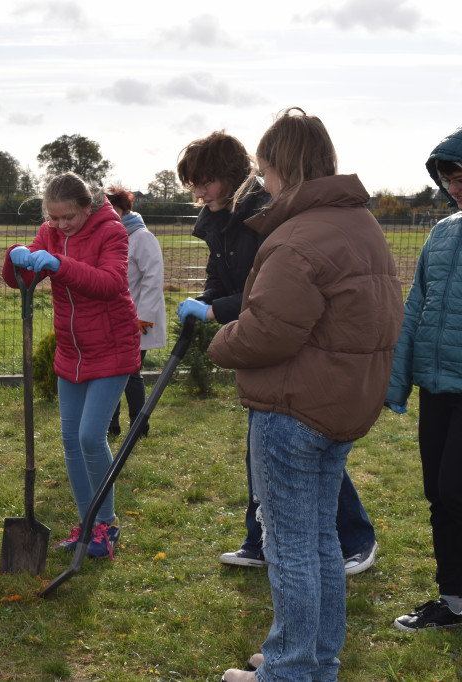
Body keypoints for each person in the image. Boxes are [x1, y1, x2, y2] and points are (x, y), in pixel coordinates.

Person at [208, 107, 403, 682]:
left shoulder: (298, 238)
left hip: (293, 410)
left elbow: (268, 330)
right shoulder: (360, 223)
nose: (262, 183)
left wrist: (219, 341)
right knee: (319, 543)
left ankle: (292, 669)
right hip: (340, 405)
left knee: (290, 547)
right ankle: (314, 660)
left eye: (265, 170)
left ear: (284, 168)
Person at [175, 130, 379, 576]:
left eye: (205, 181)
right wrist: (207, 302)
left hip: (285, 350)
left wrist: (214, 315)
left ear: (231, 176)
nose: (199, 192)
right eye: (192, 184)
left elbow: (266, 299)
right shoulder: (216, 219)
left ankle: (358, 537)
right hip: (259, 341)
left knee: (297, 451)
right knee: (263, 448)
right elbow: (223, 277)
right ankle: (259, 538)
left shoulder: (261, 216)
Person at [2, 172, 141, 559]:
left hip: (112, 347)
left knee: (89, 437)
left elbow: (111, 283)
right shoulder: (49, 234)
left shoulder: (112, 232)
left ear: (87, 207)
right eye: (53, 218)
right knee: (70, 443)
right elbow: (22, 279)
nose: (60, 225)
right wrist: (16, 258)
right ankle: (88, 524)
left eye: (68, 218)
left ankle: (107, 524)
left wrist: (59, 264)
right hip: (72, 351)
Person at [385, 127, 462, 633]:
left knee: (456, 488)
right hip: (437, 385)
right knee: (438, 491)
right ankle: (452, 600)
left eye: (461, 175)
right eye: (448, 178)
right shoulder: (442, 233)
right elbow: (415, 307)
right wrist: (397, 383)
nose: (455, 186)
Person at [105, 186, 165, 439]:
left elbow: (153, 279)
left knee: (130, 373)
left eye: (113, 210)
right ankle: (111, 426)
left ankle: (139, 427)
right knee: (109, 372)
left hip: (138, 318)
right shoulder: (112, 237)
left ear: (124, 209)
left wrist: (144, 319)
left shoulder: (141, 237)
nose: (109, 215)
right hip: (113, 317)